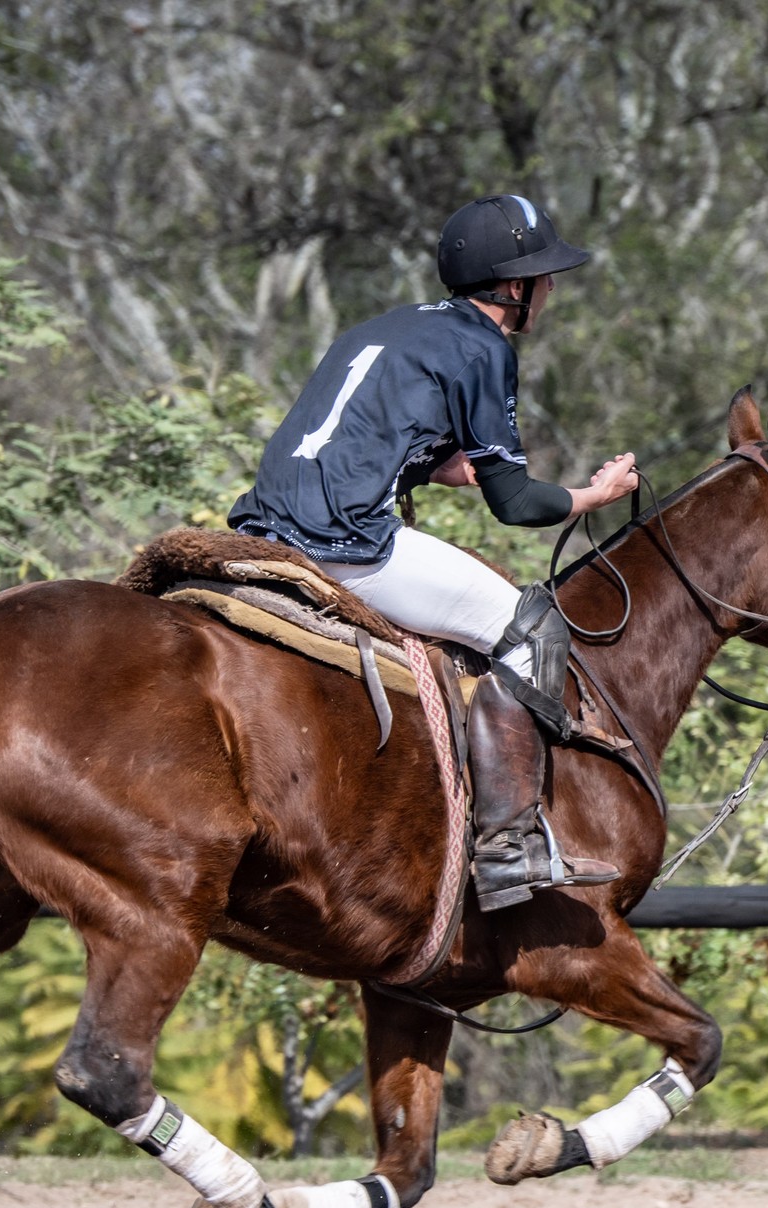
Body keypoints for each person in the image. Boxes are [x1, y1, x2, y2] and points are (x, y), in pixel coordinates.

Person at [228, 194, 641, 911]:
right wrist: (592, 495)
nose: (550, 289)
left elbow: (355, 434)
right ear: (514, 288)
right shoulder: (485, 349)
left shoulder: (390, 327)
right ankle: (508, 847)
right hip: (341, 540)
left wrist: (430, 464)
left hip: (263, 525)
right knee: (531, 625)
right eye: (545, 277)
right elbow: (514, 506)